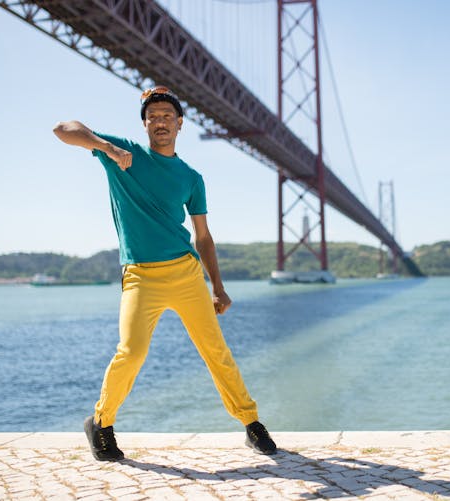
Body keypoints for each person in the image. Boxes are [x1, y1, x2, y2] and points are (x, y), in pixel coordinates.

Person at [53, 86, 277, 460]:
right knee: (132, 352)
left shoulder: (191, 177)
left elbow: (203, 236)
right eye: (153, 116)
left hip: (187, 274)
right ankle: (101, 422)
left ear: (180, 124)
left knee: (216, 352)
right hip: (140, 276)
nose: (160, 122)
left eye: (167, 116)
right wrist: (107, 149)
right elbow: (63, 128)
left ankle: (251, 424)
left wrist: (218, 287)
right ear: (144, 124)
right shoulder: (122, 153)